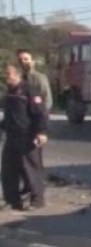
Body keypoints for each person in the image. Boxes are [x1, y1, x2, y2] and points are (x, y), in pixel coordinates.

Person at [0, 64, 48, 211]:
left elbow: (40, 113)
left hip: (28, 136)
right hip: (12, 137)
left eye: (8, 73)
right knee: (9, 169)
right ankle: (13, 200)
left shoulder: (29, 91)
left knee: (31, 168)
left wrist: (41, 132)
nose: (5, 76)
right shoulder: (10, 92)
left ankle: (37, 200)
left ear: (17, 75)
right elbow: (11, 116)